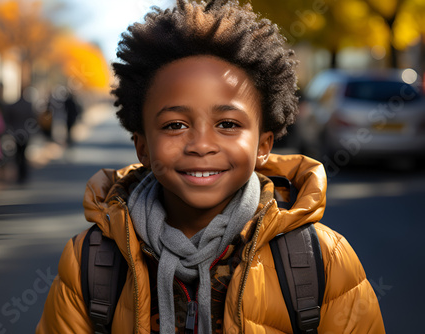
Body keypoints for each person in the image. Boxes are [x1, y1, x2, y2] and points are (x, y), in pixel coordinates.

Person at [36, 1, 385, 333]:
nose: (202, 145)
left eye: (228, 124)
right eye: (175, 125)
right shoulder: (90, 261)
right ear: (142, 145)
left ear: (263, 145)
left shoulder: (323, 260)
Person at [5, 87, 36, 184]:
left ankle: (20, 174)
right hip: (25, 133)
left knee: (18, 155)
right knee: (23, 154)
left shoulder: (13, 105)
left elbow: (8, 119)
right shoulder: (28, 105)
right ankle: (24, 174)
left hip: (16, 133)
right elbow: (33, 119)